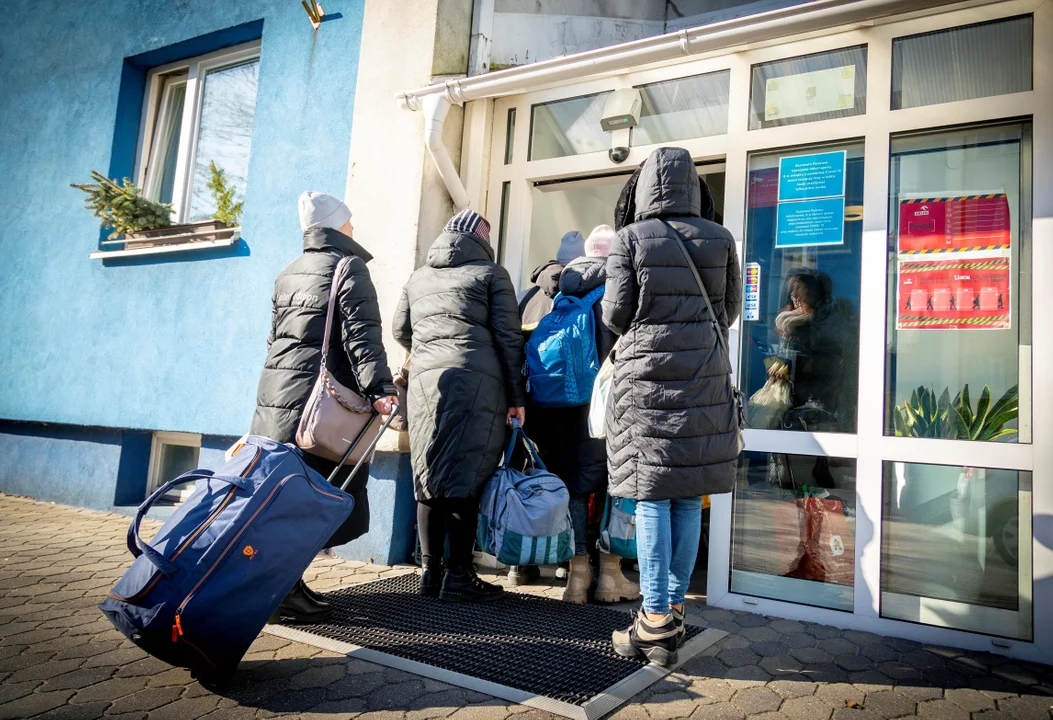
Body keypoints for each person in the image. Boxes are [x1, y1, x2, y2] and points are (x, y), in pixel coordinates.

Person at [603, 147, 742, 667]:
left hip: (648, 387)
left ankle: (654, 619)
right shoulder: (720, 237)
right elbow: (727, 312)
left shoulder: (631, 239)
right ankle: (673, 612)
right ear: (694, 186)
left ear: (643, 188)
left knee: (651, 498)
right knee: (686, 498)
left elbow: (616, 315)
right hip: (703, 383)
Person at [251, 191, 398, 623]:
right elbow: (362, 338)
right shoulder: (347, 266)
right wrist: (380, 390)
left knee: (287, 502)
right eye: (349, 222)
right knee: (320, 503)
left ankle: (284, 587)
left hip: (277, 403)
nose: (354, 228)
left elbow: (274, 342)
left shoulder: (288, 270)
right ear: (338, 225)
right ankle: (281, 591)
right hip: (318, 410)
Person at [393, 209, 526, 602]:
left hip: (424, 384)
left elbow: (401, 330)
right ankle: (459, 575)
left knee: (429, 477)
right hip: (476, 383)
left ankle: (429, 574)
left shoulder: (418, 277)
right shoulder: (491, 274)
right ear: (482, 240)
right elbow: (508, 338)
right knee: (466, 477)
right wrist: (517, 398)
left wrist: (432, 351)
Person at [533, 224, 641, 604]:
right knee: (617, 486)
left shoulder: (562, 291)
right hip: (607, 409)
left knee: (576, 489)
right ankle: (611, 576)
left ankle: (577, 577)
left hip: (563, 410)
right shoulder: (615, 291)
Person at [509, 229, 586, 587]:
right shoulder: (584, 296)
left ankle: (521, 564)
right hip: (573, 409)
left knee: (531, 480)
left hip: (531, 408)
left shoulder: (527, 297)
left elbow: (512, 350)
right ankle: (568, 562)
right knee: (569, 482)